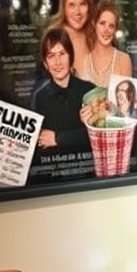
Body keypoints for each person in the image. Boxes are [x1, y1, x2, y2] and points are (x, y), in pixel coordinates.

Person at [29, 27, 94, 180]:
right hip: (52, 182)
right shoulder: (39, 98)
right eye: (51, 56)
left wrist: (58, 139)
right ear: (45, 63)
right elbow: (40, 144)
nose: (57, 62)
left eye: (62, 54)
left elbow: (96, 135)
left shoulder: (89, 91)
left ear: (70, 56)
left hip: (86, 178)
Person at [83, 0, 134, 88]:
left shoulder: (123, 60)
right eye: (102, 23)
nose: (106, 30)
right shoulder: (84, 60)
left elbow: (128, 100)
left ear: (115, 30)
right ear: (94, 23)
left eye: (111, 26)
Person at [49, 0, 96, 71]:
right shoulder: (52, 39)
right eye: (72, 5)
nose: (77, 12)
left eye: (82, 4)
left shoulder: (98, 34)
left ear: (89, 6)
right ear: (64, 7)